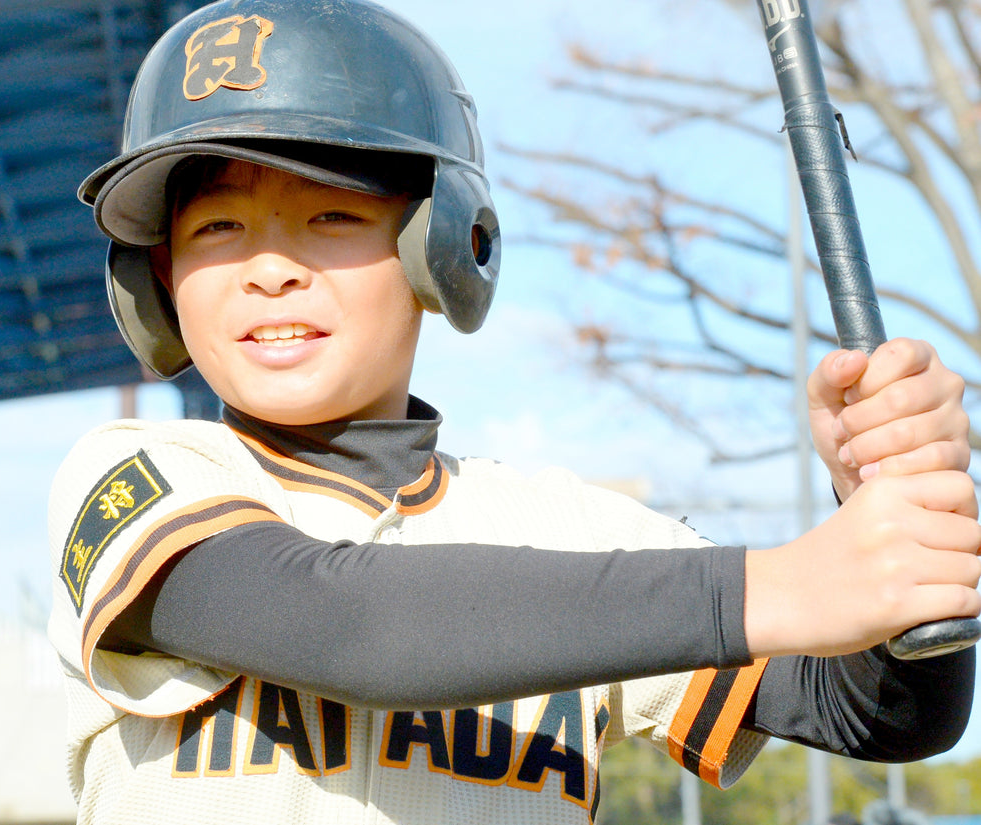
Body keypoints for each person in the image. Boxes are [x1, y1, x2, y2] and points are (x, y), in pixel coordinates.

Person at [47, 1, 980, 823]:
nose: (269, 267)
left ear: (444, 246)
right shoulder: (137, 475)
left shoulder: (564, 527)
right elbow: (354, 626)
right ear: (157, 280)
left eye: (331, 216)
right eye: (218, 228)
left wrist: (898, 504)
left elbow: (880, 715)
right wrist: (777, 587)